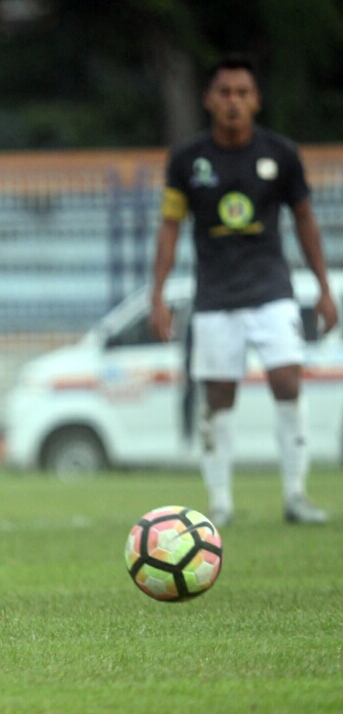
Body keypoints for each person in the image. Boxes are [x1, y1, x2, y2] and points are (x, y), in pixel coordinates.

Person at [151, 55, 336, 528]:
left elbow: (305, 221)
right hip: (215, 298)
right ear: (209, 100)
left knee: (287, 382)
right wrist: (157, 295)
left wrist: (323, 286)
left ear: (255, 100)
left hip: (272, 291)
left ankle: (295, 494)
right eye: (224, 93)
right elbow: (170, 229)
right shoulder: (188, 160)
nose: (233, 101)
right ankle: (221, 504)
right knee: (218, 397)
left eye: (242, 93)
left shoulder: (280, 154)